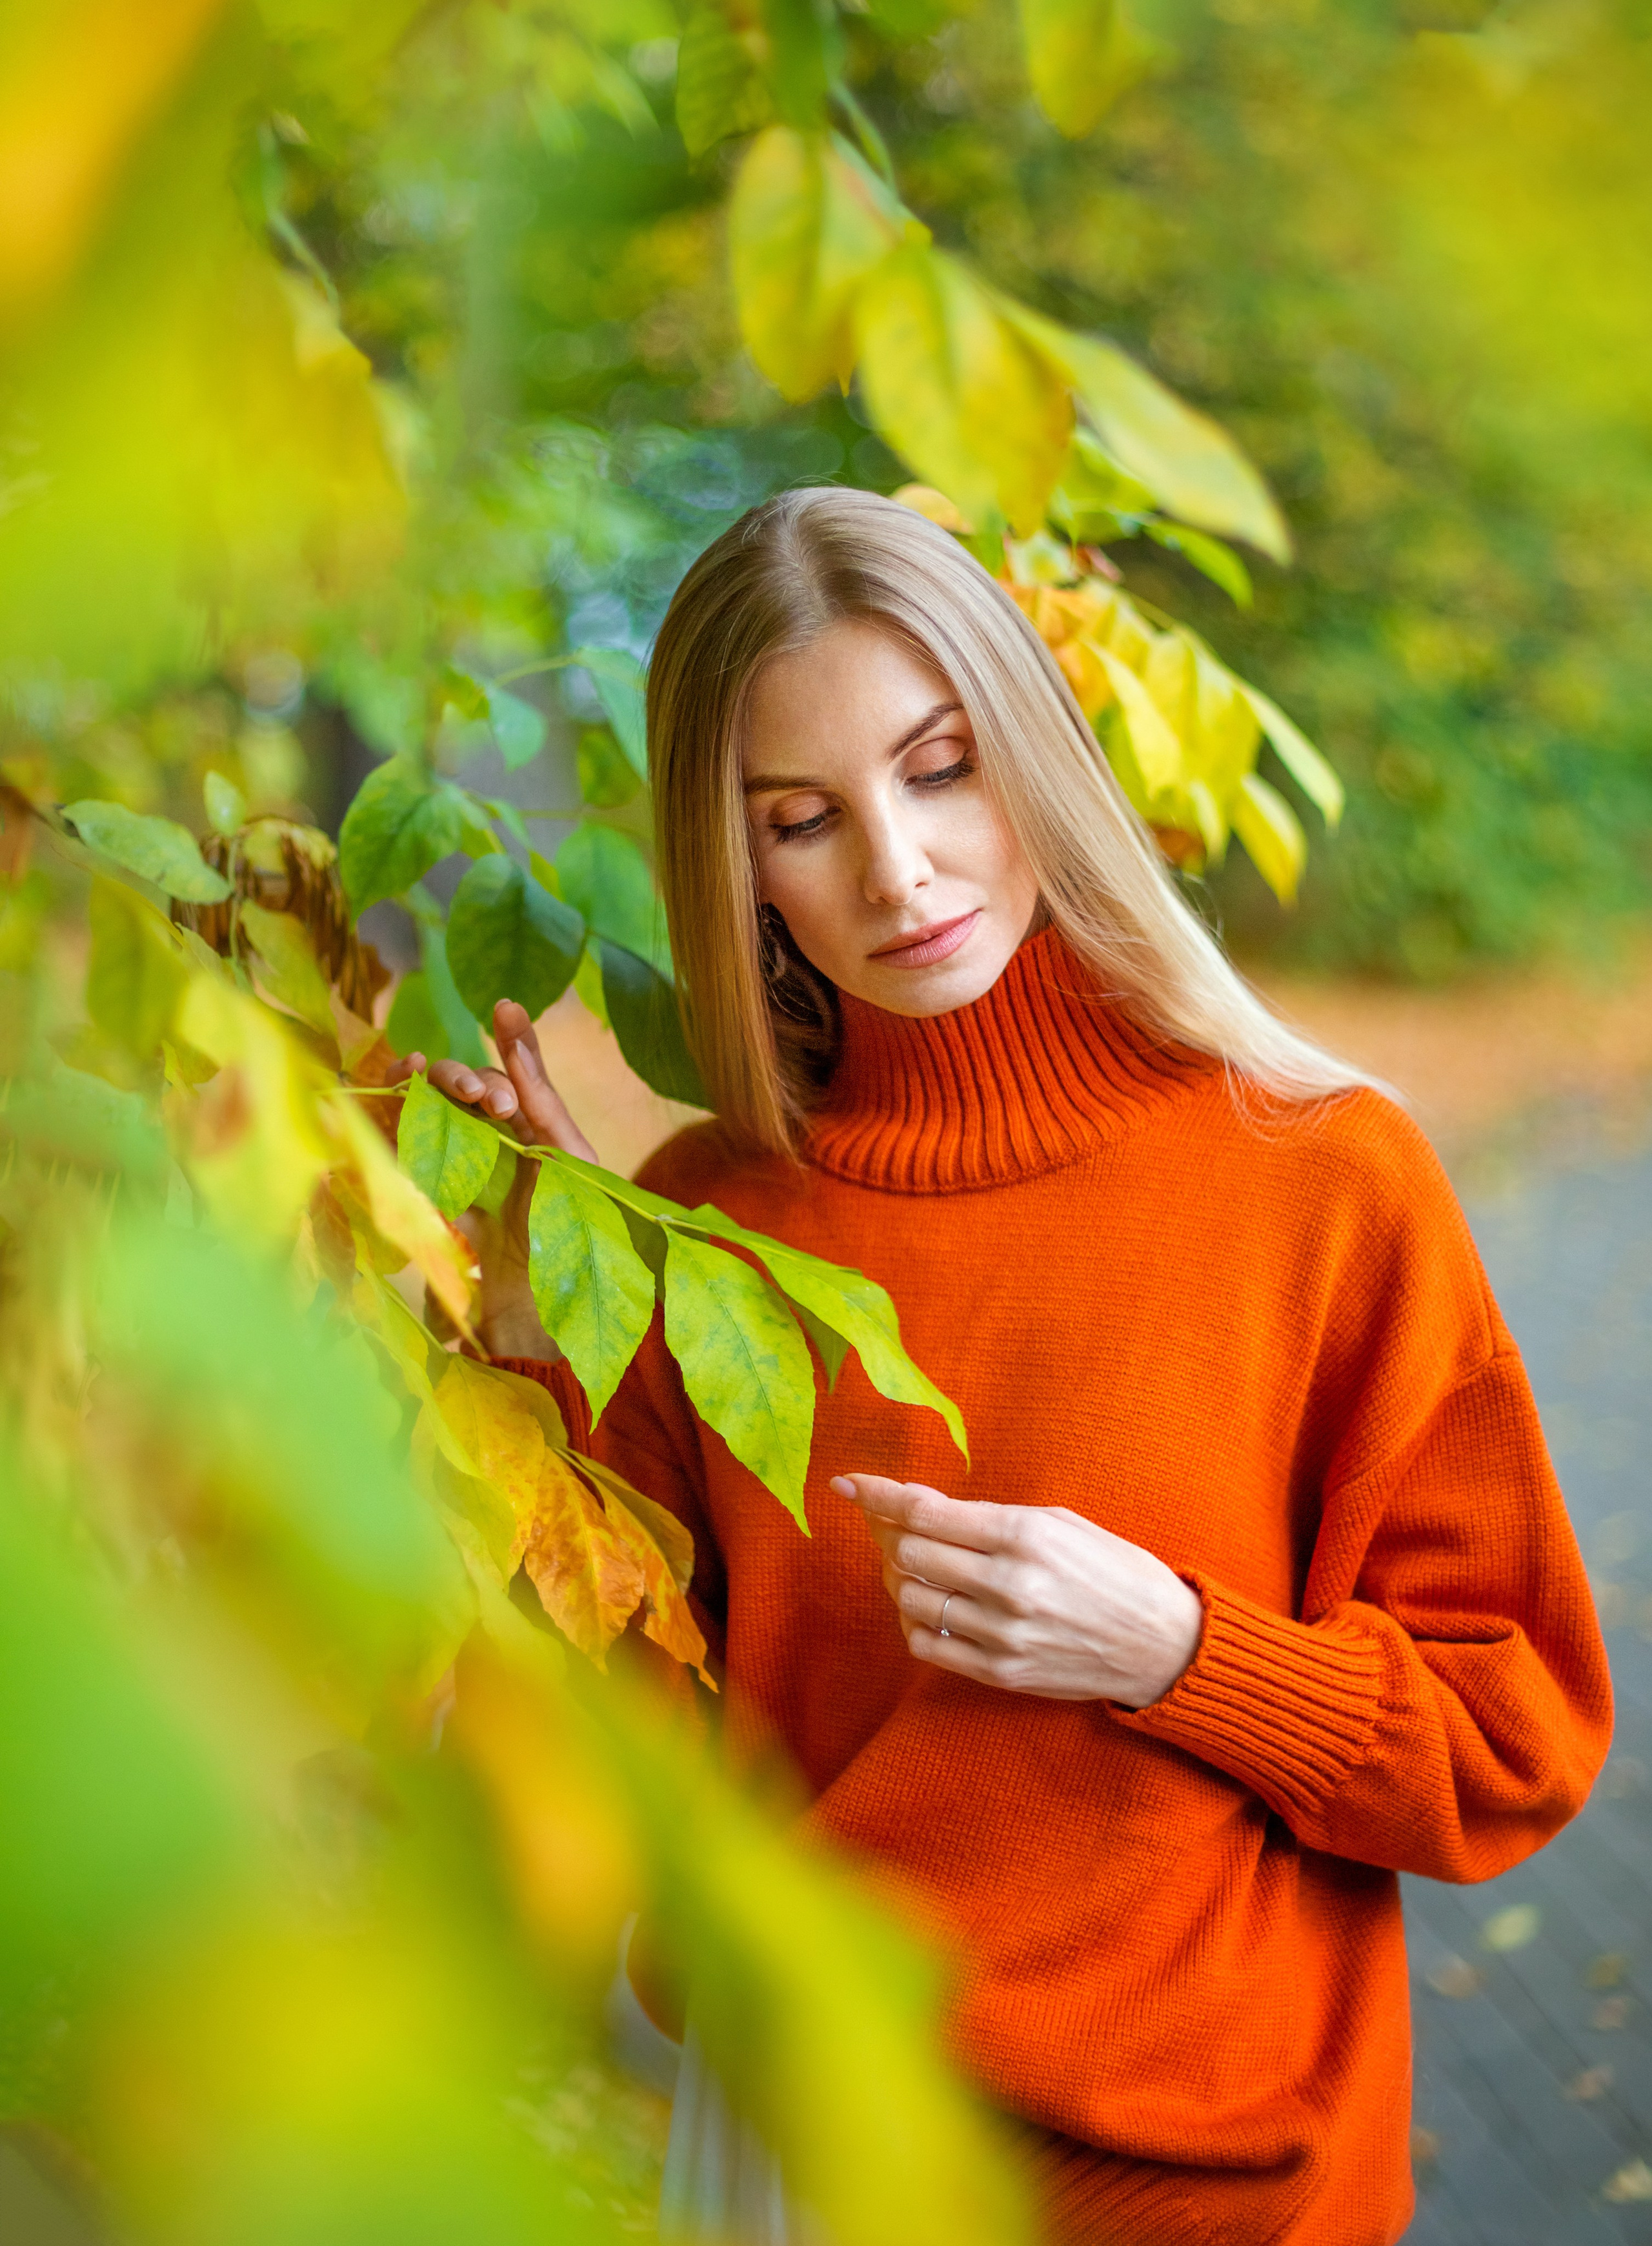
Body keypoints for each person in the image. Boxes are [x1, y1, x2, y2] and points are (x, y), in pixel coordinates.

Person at [399, 487, 1612, 2245]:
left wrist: (1184, 1652)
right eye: (803, 819)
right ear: (736, 868)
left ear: (1032, 756)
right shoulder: (711, 1225)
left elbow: (1515, 1738)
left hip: (1218, 2197)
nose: (896, 868)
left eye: (943, 766)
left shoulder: (1324, 1177)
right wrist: (538, 1374)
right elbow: (611, 1775)